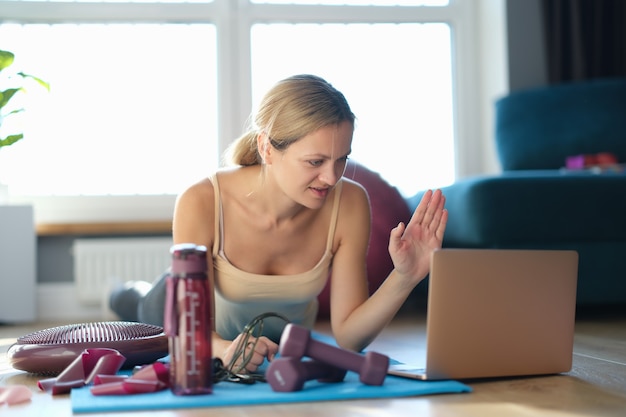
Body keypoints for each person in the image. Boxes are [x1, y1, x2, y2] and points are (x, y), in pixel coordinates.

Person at [112, 74, 447, 374]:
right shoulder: (200, 200)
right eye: (315, 161)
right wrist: (226, 349)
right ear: (266, 148)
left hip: (270, 342)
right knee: (139, 307)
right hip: (174, 311)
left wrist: (406, 277)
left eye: (341, 160)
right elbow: (188, 329)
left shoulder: (351, 203)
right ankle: (123, 293)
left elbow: (348, 337)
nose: (331, 178)